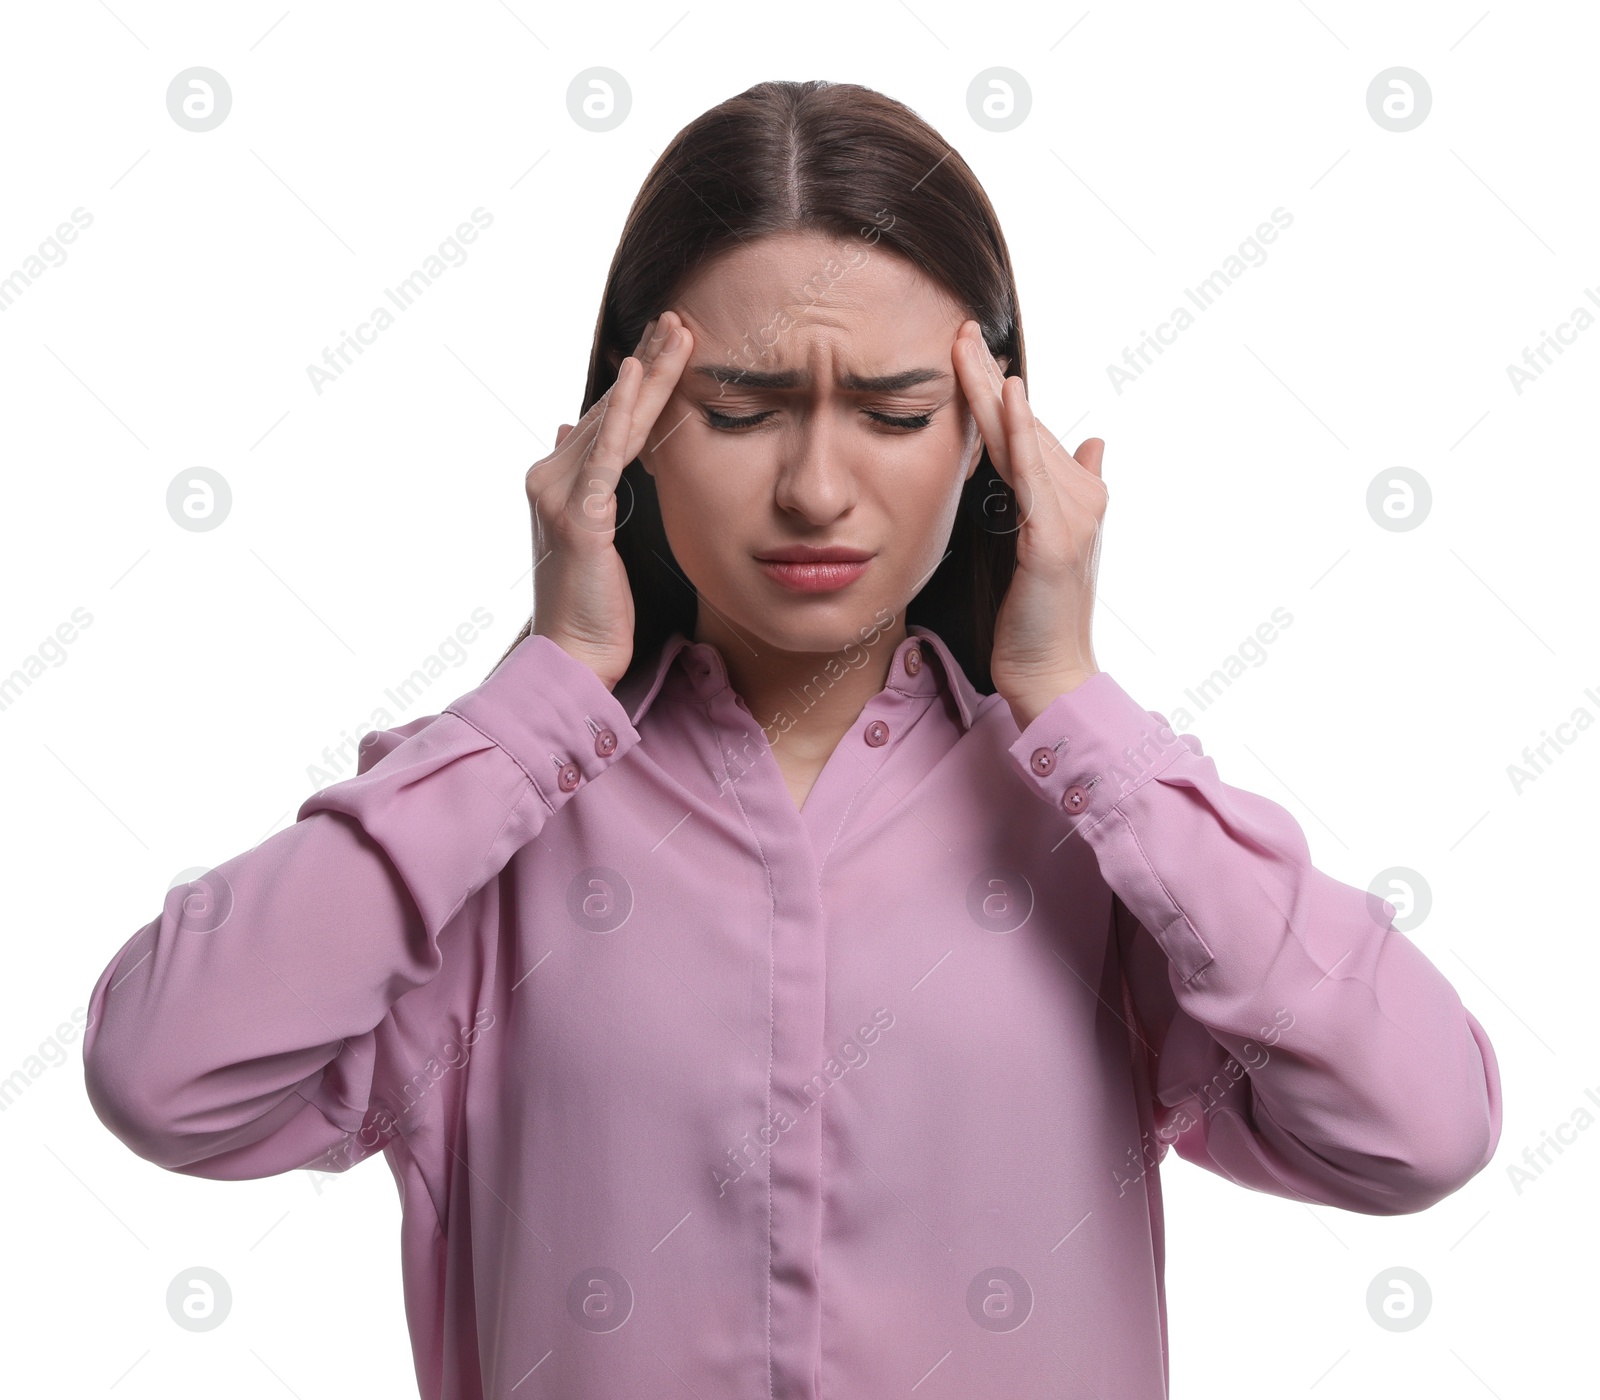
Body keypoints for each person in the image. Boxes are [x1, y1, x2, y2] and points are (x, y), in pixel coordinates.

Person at [83, 79, 1501, 1399]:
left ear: (991, 436)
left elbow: (1419, 1130)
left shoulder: (1105, 850)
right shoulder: (481, 837)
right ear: (629, 431)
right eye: (742, 410)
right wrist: (551, 684)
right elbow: (165, 1078)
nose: (817, 488)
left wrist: (1073, 707)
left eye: (894, 411)